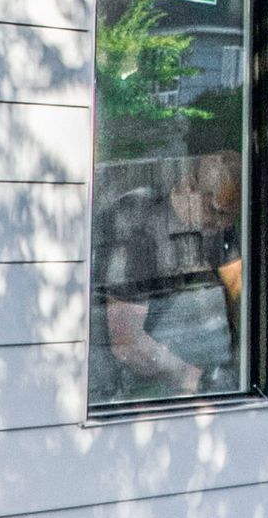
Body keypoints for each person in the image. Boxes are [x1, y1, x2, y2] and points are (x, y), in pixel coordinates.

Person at [99, 147, 244, 399]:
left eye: (231, 217)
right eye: (217, 212)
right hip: (146, 388)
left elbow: (240, 294)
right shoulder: (138, 222)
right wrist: (192, 379)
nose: (223, 225)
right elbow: (126, 342)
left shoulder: (217, 228)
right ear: (188, 187)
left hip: (216, 378)